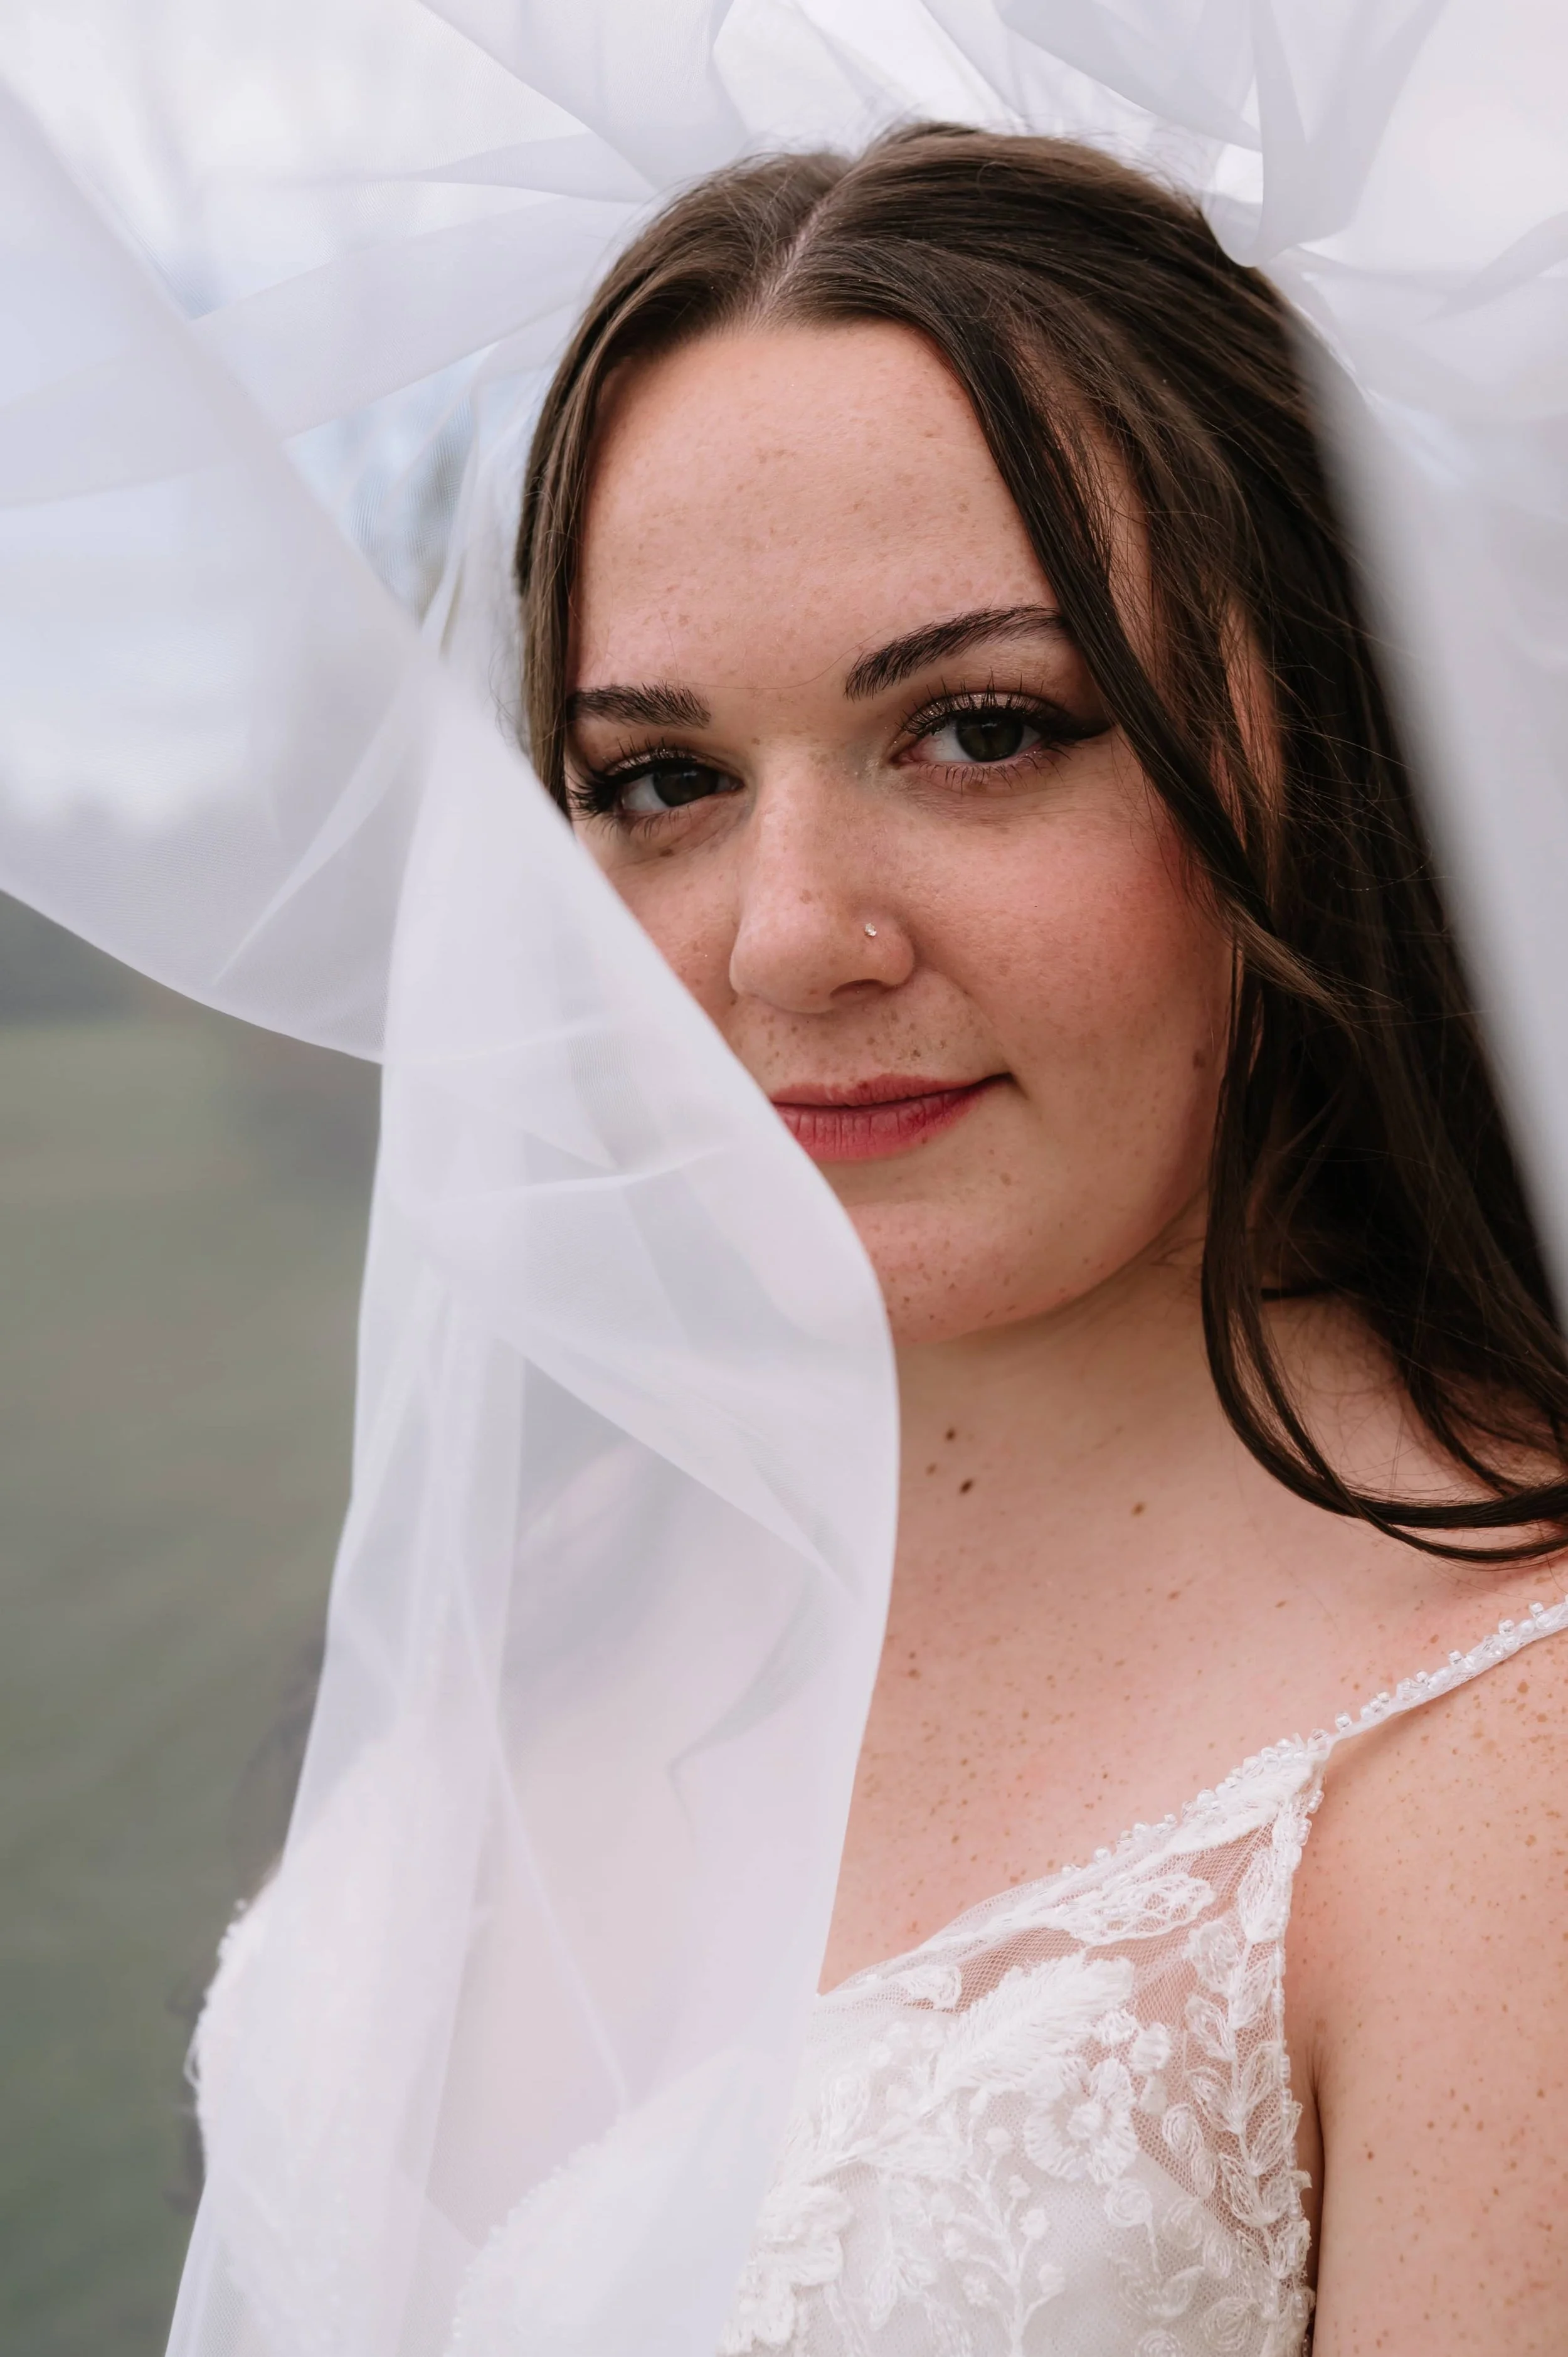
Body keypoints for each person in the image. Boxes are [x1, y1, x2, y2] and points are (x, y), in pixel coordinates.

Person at [508, 125, 1568, 2352]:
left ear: (1319, 761)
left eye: (981, 731)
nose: (788, 942)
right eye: (659, 780)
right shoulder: (571, 1565)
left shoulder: (1508, 1766)